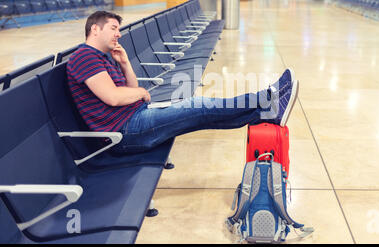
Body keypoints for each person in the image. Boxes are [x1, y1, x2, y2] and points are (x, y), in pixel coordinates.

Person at [67, 11, 299, 154]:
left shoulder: (103, 57)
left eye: (119, 29)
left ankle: (268, 111)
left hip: (135, 119)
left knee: (202, 115)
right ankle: (268, 97)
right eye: (114, 28)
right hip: (125, 132)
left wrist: (126, 63)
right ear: (94, 29)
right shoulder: (84, 56)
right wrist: (139, 92)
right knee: (199, 106)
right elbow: (114, 97)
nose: (118, 34)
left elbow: (127, 90)